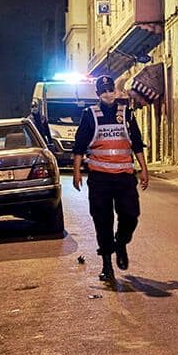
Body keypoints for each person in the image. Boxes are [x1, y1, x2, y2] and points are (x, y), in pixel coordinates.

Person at [72, 75, 149, 283]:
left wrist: (144, 169)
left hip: (124, 176)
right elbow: (79, 146)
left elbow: (136, 143)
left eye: (110, 90)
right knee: (102, 220)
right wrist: (77, 172)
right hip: (99, 178)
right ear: (98, 94)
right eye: (104, 91)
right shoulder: (90, 114)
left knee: (131, 215)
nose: (108, 94)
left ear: (116, 91)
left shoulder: (126, 113)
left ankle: (121, 242)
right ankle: (107, 265)